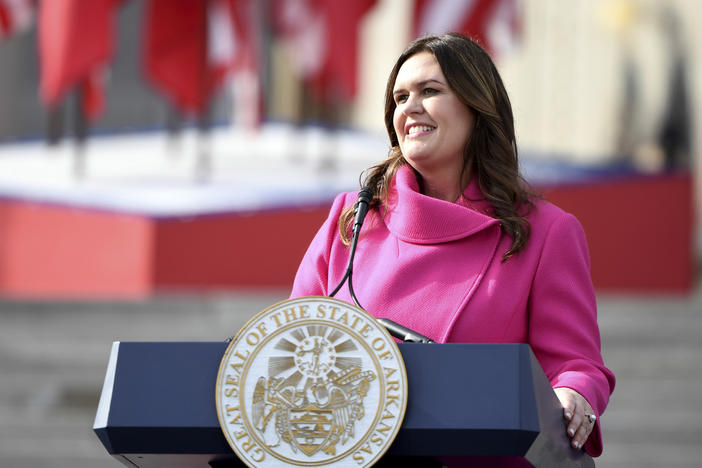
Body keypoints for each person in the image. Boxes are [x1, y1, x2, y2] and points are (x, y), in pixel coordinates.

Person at [290, 33, 616, 464]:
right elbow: (291, 342)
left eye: (430, 91)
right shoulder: (352, 217)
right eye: (400, 97)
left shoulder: (545, 232)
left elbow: (575, 363)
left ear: (477, 107)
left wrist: (573, 394)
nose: (409, 107)